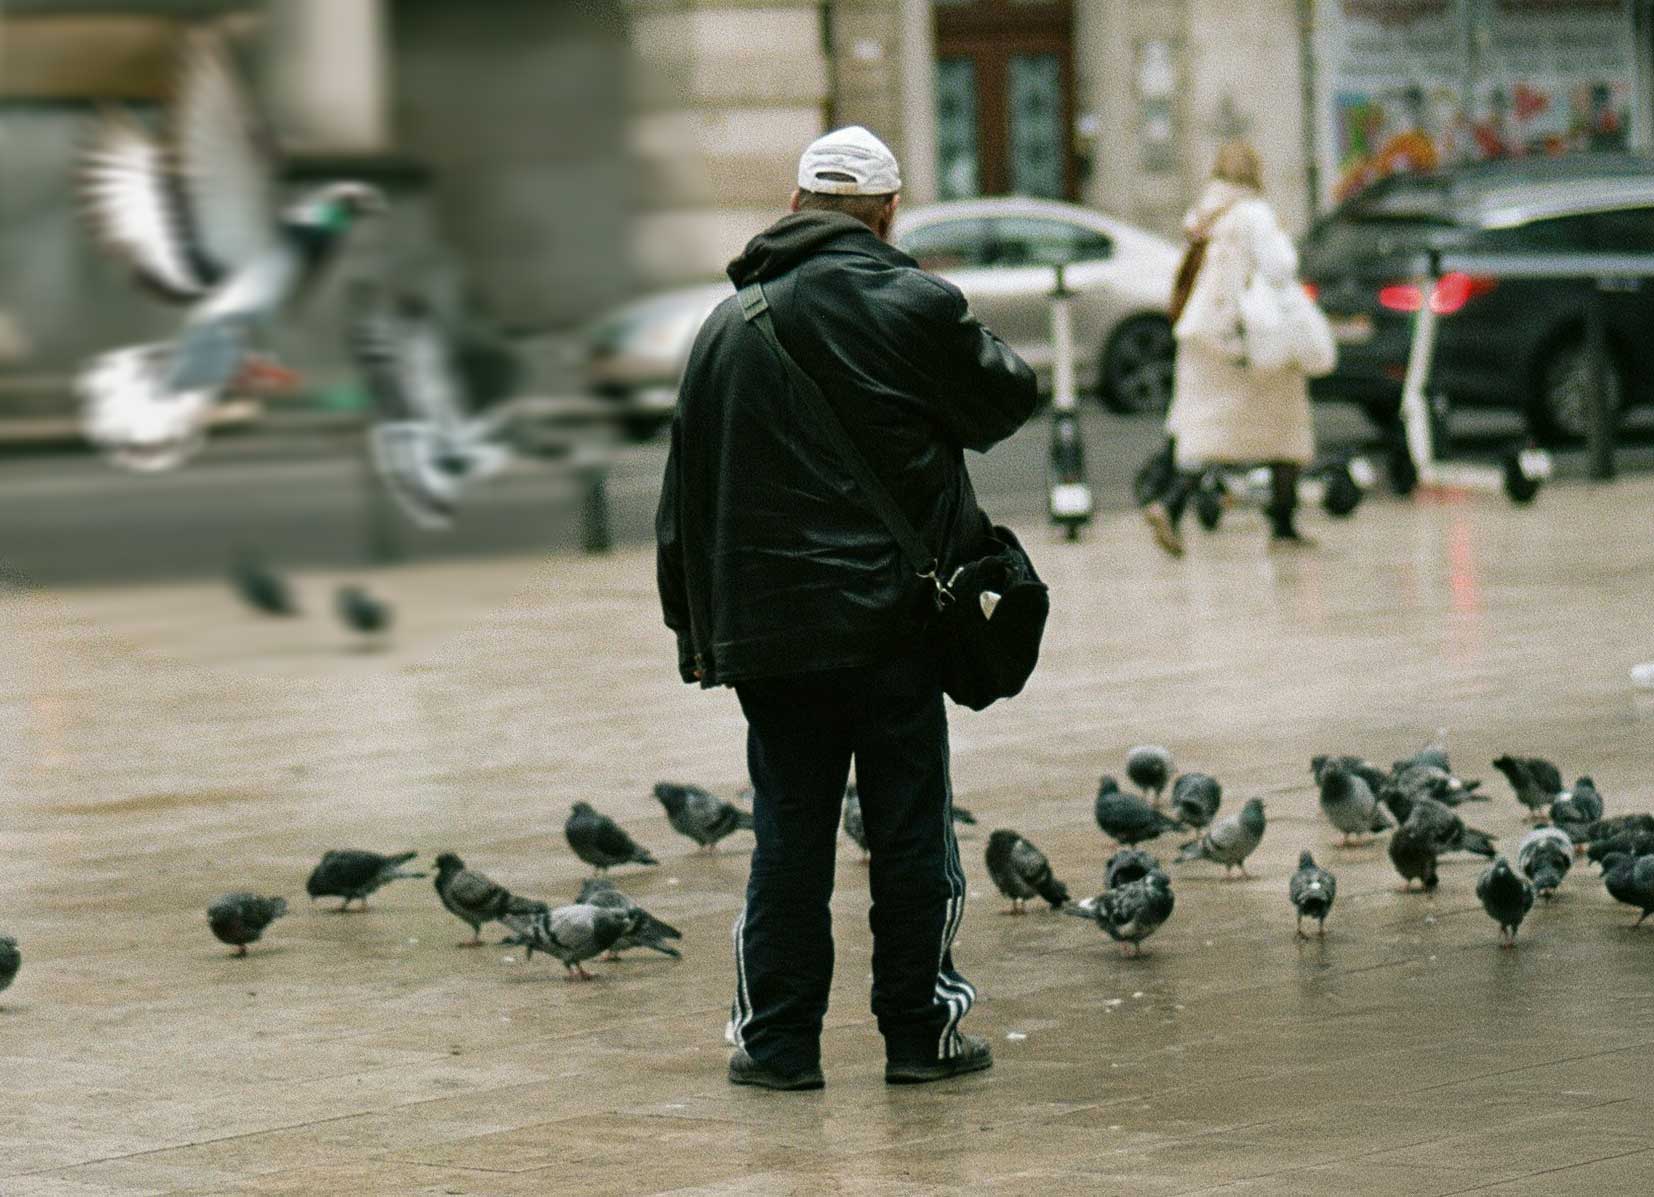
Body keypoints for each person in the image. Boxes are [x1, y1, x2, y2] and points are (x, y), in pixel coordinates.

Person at [655, 126, 1037, 1091]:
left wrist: (696, 634)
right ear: (888, 213)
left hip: (772, 638)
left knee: (788, 830)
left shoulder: (726, 328)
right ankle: (919, 1034)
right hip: (897, 623)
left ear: (794, 208)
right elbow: (1006, 397)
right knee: (910, 829)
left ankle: (779, 1044)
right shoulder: (913, 305)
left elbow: (682, 505)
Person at [1143, 140, 1317, 557]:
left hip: (1201, 336)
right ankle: (1283, 522)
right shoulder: (1255, 214)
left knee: (1204, 431)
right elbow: (1280, 268)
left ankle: (1169, 503)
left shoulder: (1203, 212)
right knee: (1285, 425)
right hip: (1249, 339)